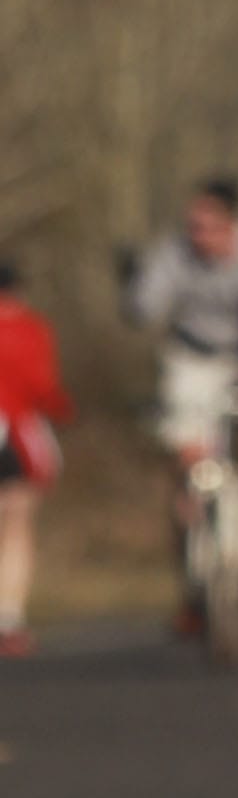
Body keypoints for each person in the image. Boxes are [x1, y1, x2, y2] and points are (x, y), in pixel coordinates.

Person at [119, 176, 238, 628]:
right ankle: (195, 579)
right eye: (192, 226)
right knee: (187, 463)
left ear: (234, 225)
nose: (197, 235)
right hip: (192, 358)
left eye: (208, 227)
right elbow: (145, 307)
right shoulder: (175, 251)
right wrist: (132, 285)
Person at [0, 260, 73, 655]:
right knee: (16, 526)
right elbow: (43, 386)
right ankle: (8, 618)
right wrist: (64, 410)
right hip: (15, 434)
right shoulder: (30, 328)